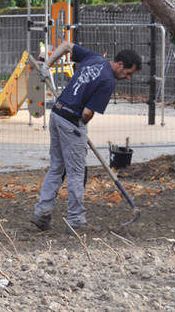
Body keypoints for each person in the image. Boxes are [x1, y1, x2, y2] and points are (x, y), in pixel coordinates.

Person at [29, 41, 141, 234]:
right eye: (128, 73)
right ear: (120, 64)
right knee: (76, 173)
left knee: (57, 168)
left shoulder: (95, 58)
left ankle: (42, 214)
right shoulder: (108, 81)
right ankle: (76, 221)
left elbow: (65, 45)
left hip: (57, 115)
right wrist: (80, 127)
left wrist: (47, 66)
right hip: (71, 122)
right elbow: (88, 113)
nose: (128, 77)